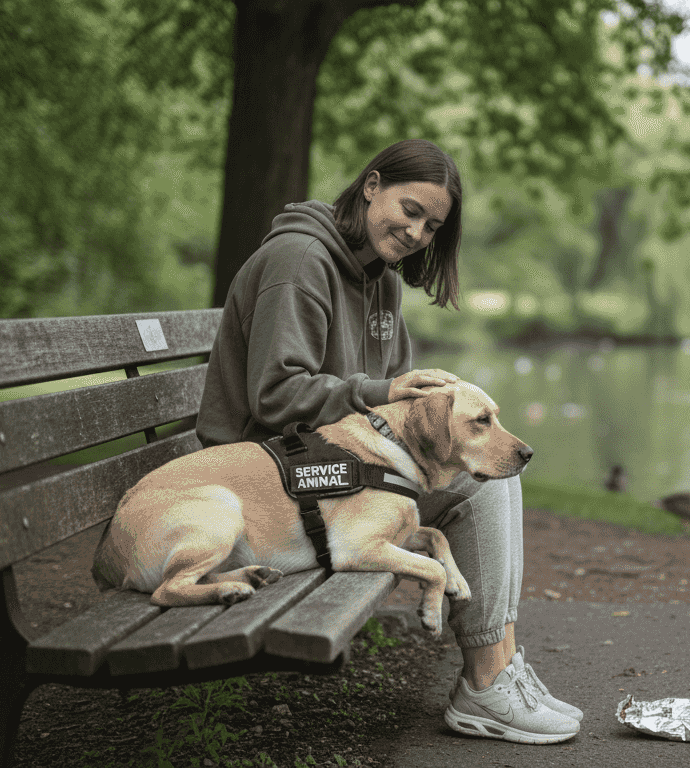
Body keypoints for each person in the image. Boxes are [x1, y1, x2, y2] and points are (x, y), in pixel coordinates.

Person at [195, 139, 582, 744]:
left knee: (487, 470)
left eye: (431, 225)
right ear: (371, 185)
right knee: (478, 492)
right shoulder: (299, 260)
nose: (416, 232)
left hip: (338, 464)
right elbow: (275, 396)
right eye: (410, 210)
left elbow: (396, 402)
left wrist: (442, 410)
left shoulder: (382, 281)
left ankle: (501, 667)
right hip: (273, 475)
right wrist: (379, 391)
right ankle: (488, 681)